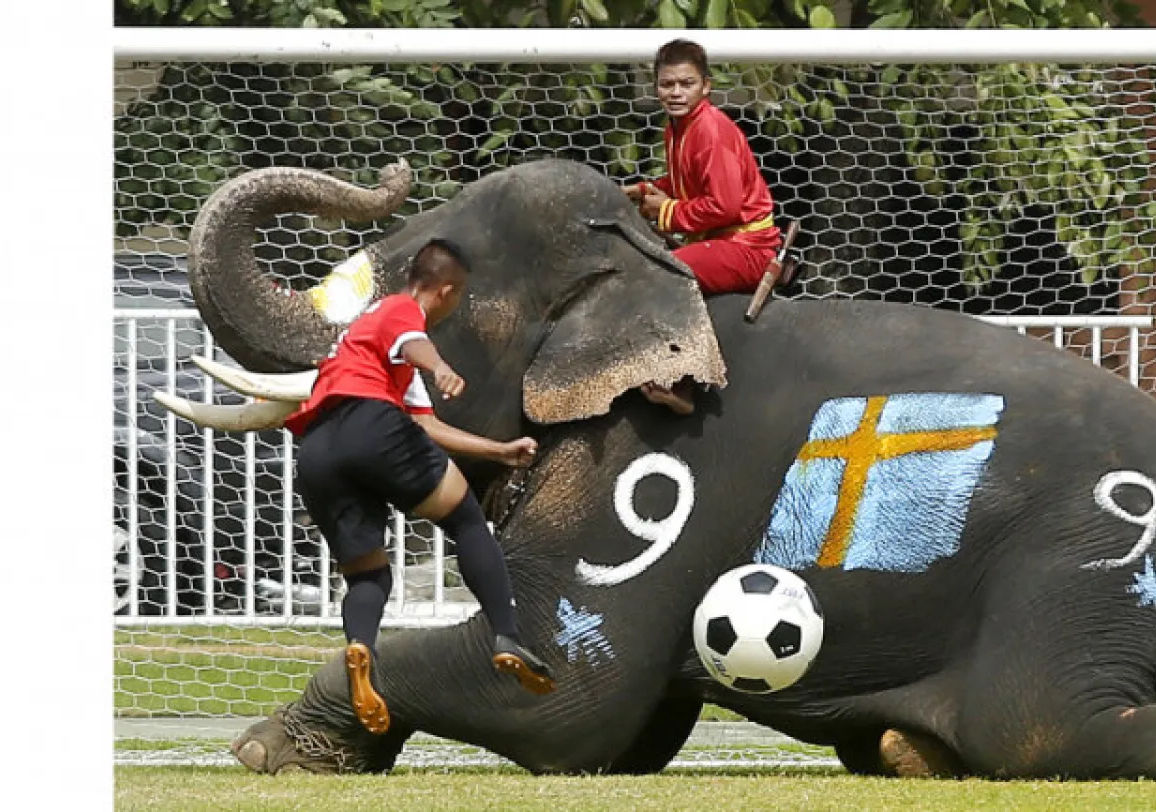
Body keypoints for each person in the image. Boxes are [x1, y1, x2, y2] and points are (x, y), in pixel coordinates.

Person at [285, 237, 556, 737]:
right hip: (371, 425)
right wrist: (441, 366)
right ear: (447, 289)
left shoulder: (360, 344)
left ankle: (360, 647)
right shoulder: (396, 311)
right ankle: (506, 634)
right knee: (466, 519)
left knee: (368, 576)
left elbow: (424, 425)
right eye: (460, 295)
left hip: (318, 449)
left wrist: (497, 451)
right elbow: (414, 341)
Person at [621, 38, 783, 416]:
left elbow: (724, 206)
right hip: (720, 240)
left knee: (667, 272)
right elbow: (687, 186)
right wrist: (646, 189)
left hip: (746, 246)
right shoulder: (677, 127)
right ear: (655, 86)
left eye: (686, 84)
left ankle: (683, 384)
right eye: (667, 84)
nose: (675, 92)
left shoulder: (710, 130)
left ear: (706, 86)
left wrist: (666, 214)